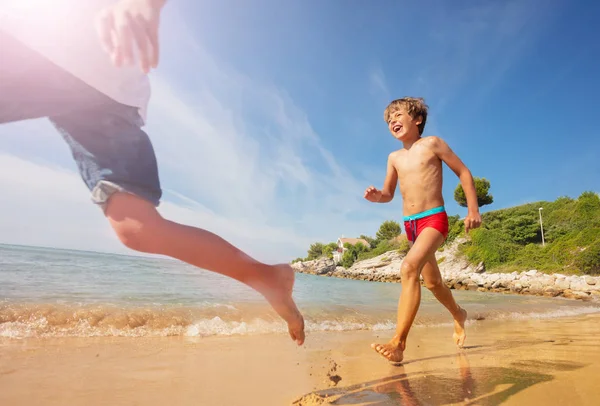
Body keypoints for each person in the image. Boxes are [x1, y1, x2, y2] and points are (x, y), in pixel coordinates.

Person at [0, 0, 305, 345]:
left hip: (87, 62)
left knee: (139, 228)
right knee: (137, 230)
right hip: (88, 69)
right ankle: (266, 277)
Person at [364, 97, 481, 364]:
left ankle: (398, 343)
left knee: (408, 268)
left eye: (398, 114)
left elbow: (463, 172)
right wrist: (377, 197)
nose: (393, 120)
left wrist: (472, 210)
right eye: (389, 119)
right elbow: (388, 193)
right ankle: (458, 314)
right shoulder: (393, 158)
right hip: (411, 226)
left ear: (417, 120)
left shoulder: (433, 144)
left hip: (434, 219)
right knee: (432, 283)